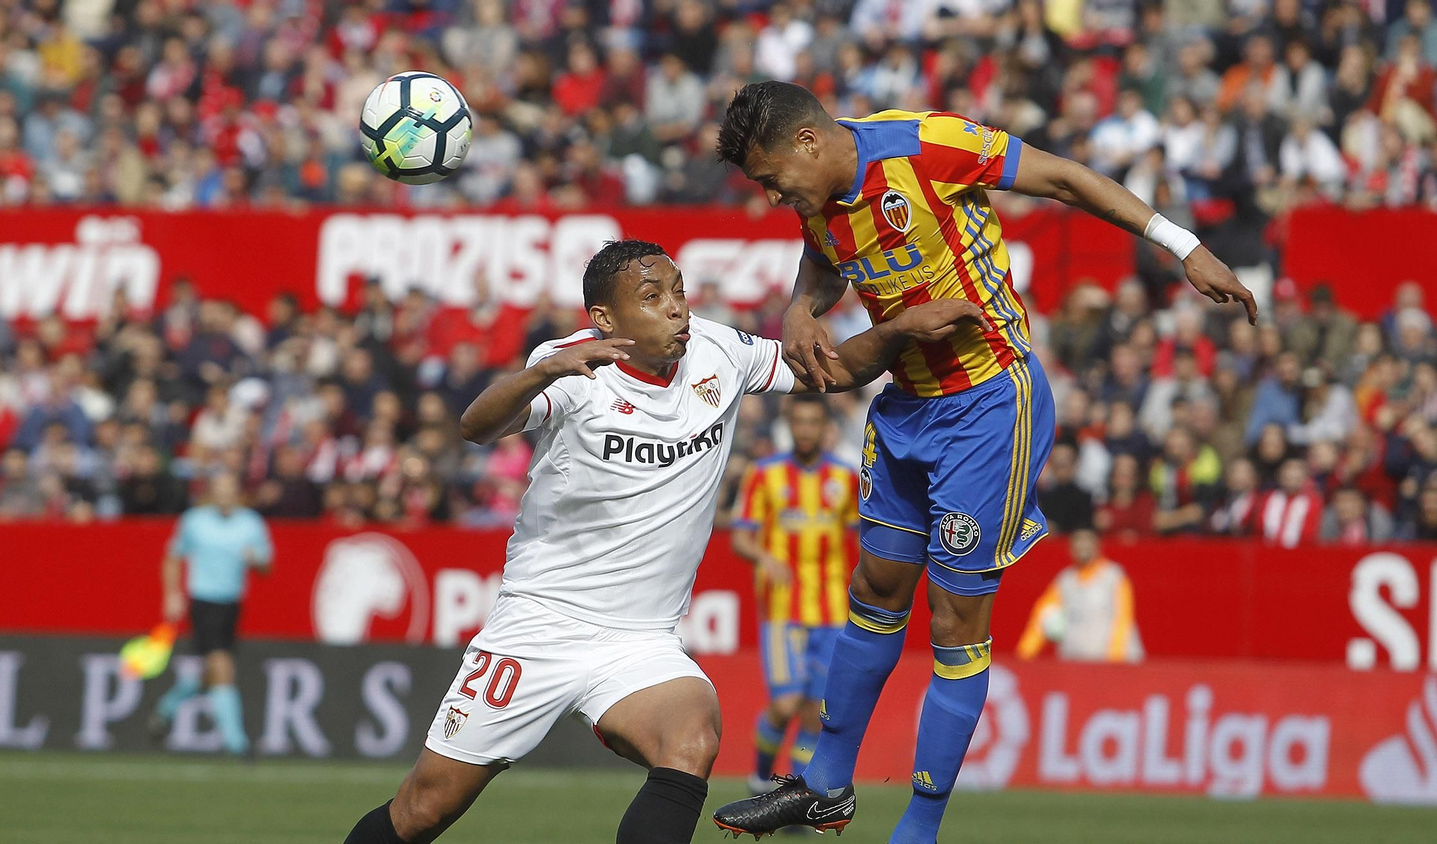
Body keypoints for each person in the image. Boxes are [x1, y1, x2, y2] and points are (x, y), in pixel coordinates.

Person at [710, 81, 1256, 841]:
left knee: (956, 619)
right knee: (875, 585)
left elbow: (1065, 178)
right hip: (904, 407)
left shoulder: (927, 146)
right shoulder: (817, 202)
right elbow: (825, 258)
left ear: (808, 142)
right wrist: (801, 308)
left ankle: (920, 827)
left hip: (988, 408)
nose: (772, 198)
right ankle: (826, 785)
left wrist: (1183, 245)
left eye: (771, 180)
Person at [339, 239, 989, 844]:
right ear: (606, 319)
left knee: (692, 738)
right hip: (540, 626)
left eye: (677, 291)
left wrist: (899, 331)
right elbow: (478, 426)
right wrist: (546, 371)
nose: (676, 308)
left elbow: (833, 367)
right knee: (425, 808)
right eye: (652, 298)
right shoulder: (569, 368)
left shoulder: (718, 351)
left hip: (639, 640)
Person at [731, 394, 858, 794]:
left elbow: (860, 539)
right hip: (783, 608)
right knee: (785, 704)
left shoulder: (845, 478)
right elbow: (740, 537)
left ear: (825, 427)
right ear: (790, 425)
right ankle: (759, 777)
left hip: (833, 610)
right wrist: (765, 558)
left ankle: (797, 795)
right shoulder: (765, 474)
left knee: (812, 713)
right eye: (798, 422)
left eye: (813, 422)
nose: (805, 430)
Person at [149, 471, 274, 757]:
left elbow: (267, 566)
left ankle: (170, 703)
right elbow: (172, 557)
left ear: (238, 493)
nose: (225, 495)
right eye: (220, 489)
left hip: (231, 604)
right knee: (223, 667)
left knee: (213, 673)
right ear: (212, 492)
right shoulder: (195, 521)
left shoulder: (251, 524)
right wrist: (172, 594)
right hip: (203, 602)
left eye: (230, 489)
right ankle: (237, 744)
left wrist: (255, 560)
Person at [1014, 528, 1143, 663]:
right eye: (1078, 542)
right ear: (1070, 549)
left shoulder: (1114, 577)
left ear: (1097, 546)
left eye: (1087, 541)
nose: (1083, 546)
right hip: (1075, 663)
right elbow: (1043, 617)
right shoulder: (1065, 581)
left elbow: (1123, 618)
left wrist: (1115, 661)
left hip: (1111, 663)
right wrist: (1024, 655)